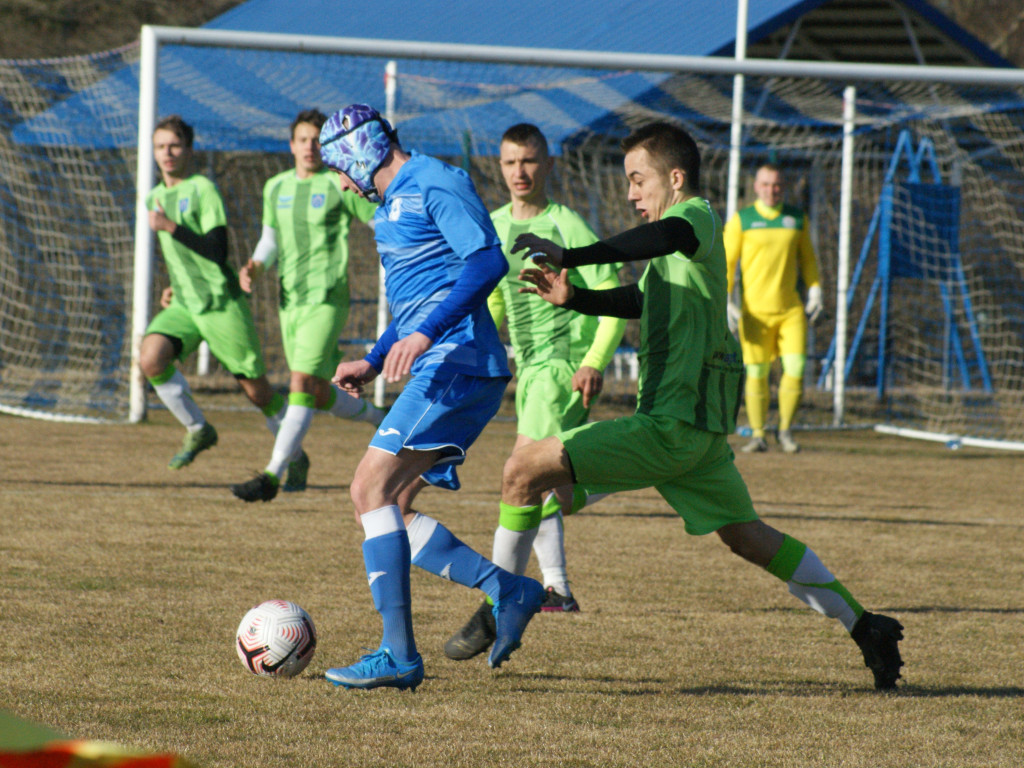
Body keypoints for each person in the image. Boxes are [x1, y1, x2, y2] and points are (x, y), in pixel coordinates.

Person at [488, 122, 904, 691]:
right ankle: (866, 626)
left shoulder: (697, 218)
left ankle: (502, 607)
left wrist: (574, 254)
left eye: (638, 180)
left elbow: (661, 240)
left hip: (670, 427)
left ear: (675, 178)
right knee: (749, 537)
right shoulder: (676, 243)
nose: (631, 194)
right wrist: (576, 295)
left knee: (524, 472)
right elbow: (643, 295)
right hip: (699, 440)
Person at [316, 104, 545, 692]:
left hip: (458, 360)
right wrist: (374, 356)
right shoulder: (388, 210)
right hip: (444, 360)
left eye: (340, 169)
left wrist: (423, 335)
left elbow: (489, 259)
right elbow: (418, 300)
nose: (342, 184)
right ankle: (510, 589)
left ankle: (399, 655)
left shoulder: (435, 182)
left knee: (368, 489)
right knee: (391, 506)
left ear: (359, 153)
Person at [443, 124, 626, 661]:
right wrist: (472, 351)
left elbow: (614, 296)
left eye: (529, 161)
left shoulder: (566, 224)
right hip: (530, 373)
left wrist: (593, 361)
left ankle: (502, 600)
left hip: (562, 368)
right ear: (498, 168)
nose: (519, 172)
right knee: (550, 488)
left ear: (548, 165)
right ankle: (559, 588)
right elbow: (496, 304)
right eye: (509, 163)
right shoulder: (496, 226)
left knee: (522, 474)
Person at [230, 109, 385, 503]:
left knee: (299, 382)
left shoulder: (337, 184)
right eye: (303, 139)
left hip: (327, 298)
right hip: (290, 301)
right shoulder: (275, 187)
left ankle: (272, 475)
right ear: (291, 145)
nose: (310, 147)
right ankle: (379, 421)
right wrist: (255, 265)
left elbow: (378, 222)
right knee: (316, 389)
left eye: (317, 140)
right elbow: (269, 240)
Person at [141, 115, 286, 470]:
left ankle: (293, 455)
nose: (167, 152)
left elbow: (217, 250)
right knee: (150, 358)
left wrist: (169, 226)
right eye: (160, 146)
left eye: (174, 145)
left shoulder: (203, 189)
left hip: (221, 304)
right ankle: (198, 428)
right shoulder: (154, 197)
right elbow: (183, 256)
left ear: (189, 149)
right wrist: (175, 284)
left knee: (258, 393)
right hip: (186, 305)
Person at [724, 163, 824, 454]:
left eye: (777, 184)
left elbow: (808, 260)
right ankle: (758, 435)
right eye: (765, 184)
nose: (771, 190)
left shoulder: (796, 219)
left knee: (796, 368)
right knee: (757, 372)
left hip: (790, 310)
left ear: (784, 187)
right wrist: (726, 300)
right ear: (755, 186)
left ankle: (785, 431)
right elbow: (727, 264)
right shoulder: (742, 219)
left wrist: (816, 289)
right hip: (754, 313)